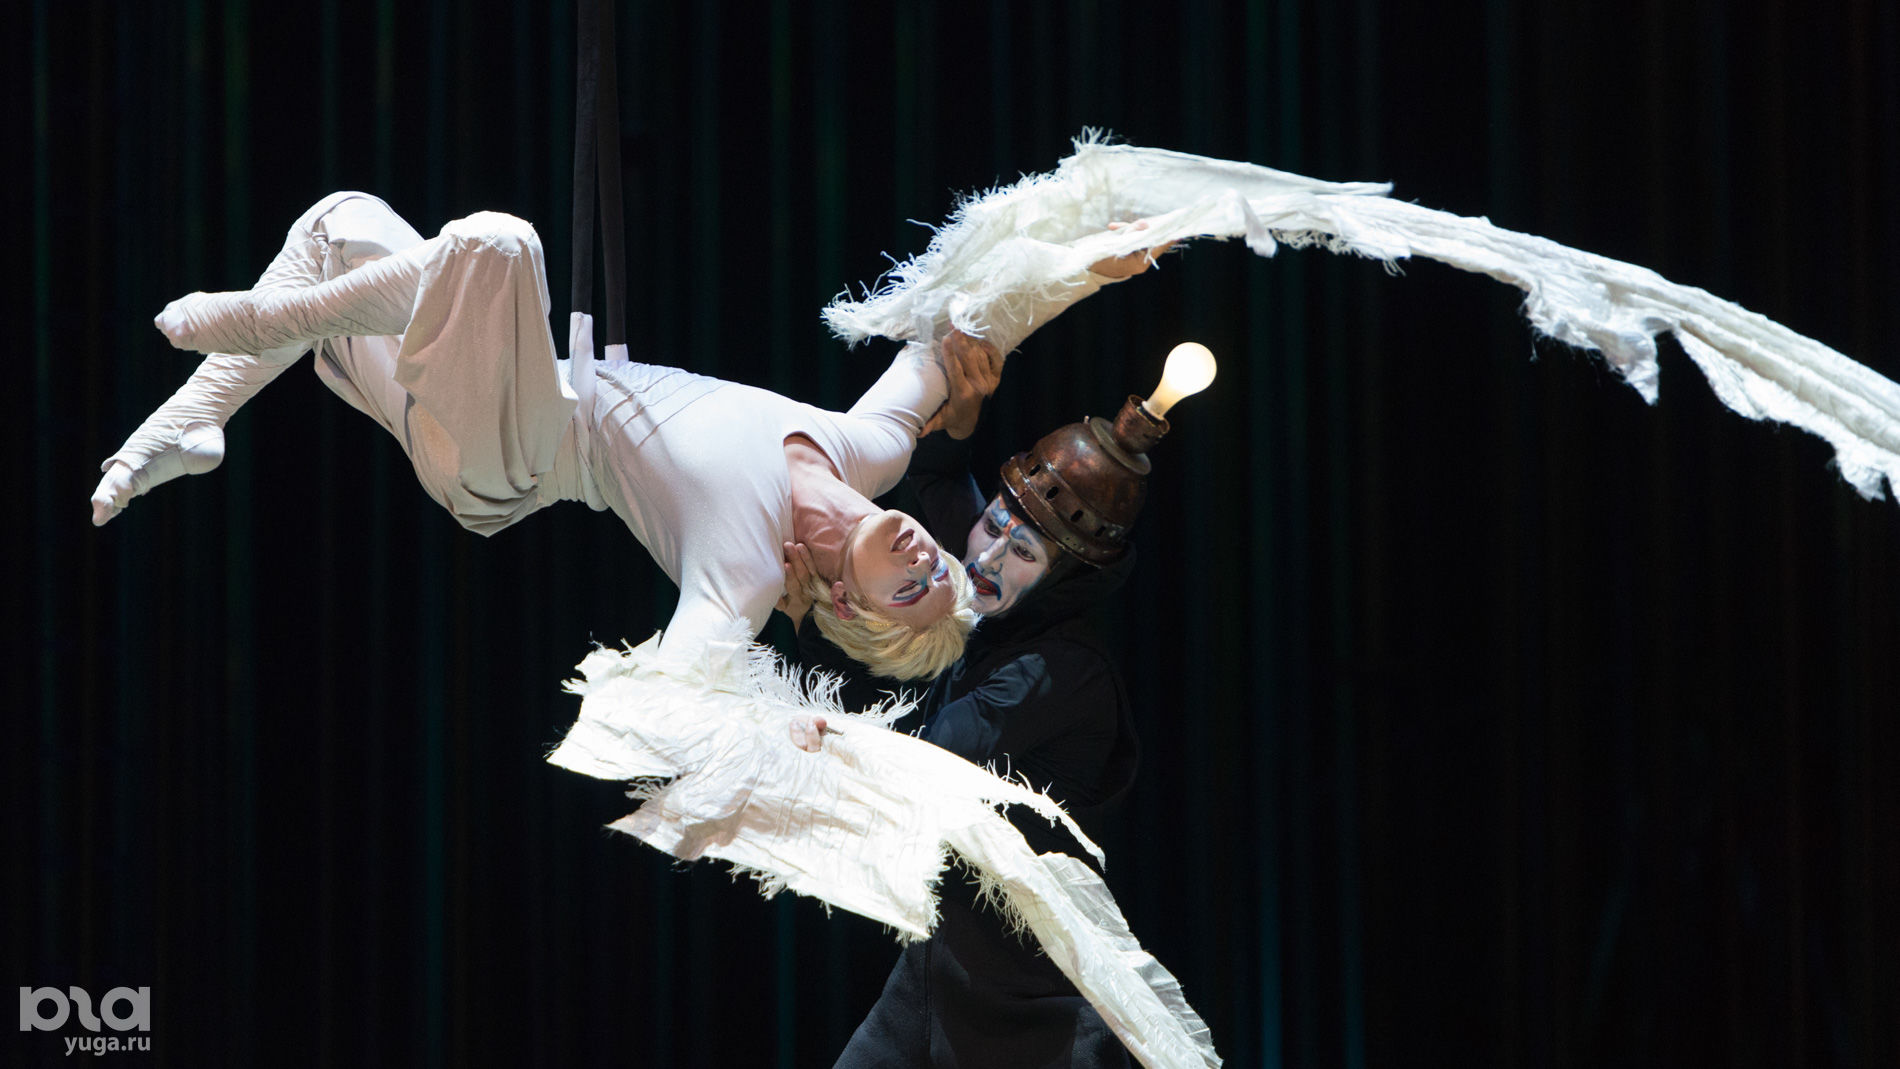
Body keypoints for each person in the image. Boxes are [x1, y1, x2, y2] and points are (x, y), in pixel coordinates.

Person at [90, 192, 1163, 682]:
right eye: (940, 574)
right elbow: (961, 332)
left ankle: (253, 322)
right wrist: (1085, 264)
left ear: (843, 601)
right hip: (515, 381)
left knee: (497, 246)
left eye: (908, 590)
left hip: (508, 458)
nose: (930, 557)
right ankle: (188, 425)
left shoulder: (743, 574)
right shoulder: (865, 449)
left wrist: (803, 750)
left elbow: (677, 697)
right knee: (341, 225)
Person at [782, 367, 1183, 1066]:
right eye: (994, 523)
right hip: (936, 973)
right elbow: (940, 482)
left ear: (1063, 577)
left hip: (1031, 1010)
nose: (987, 557)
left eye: (1022, 552)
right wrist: (961, 417)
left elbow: (930, 757)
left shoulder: (1060, 671)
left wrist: (816, 628)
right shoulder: (980, 578)